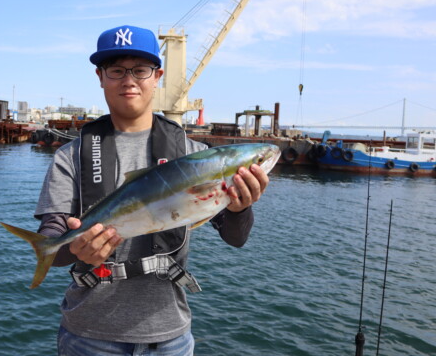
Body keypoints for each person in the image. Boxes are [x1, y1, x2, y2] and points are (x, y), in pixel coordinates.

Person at [35, 25, 270, 355]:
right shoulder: (71, 156)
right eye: (116, 70)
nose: (128, 80)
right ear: (100, 76)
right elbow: (54, 238)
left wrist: (239, 208)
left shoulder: (195, 156)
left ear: (157, 76)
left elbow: (236, 238)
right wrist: (74, 249)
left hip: (170, 338)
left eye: (140, 70)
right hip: (88, 337)